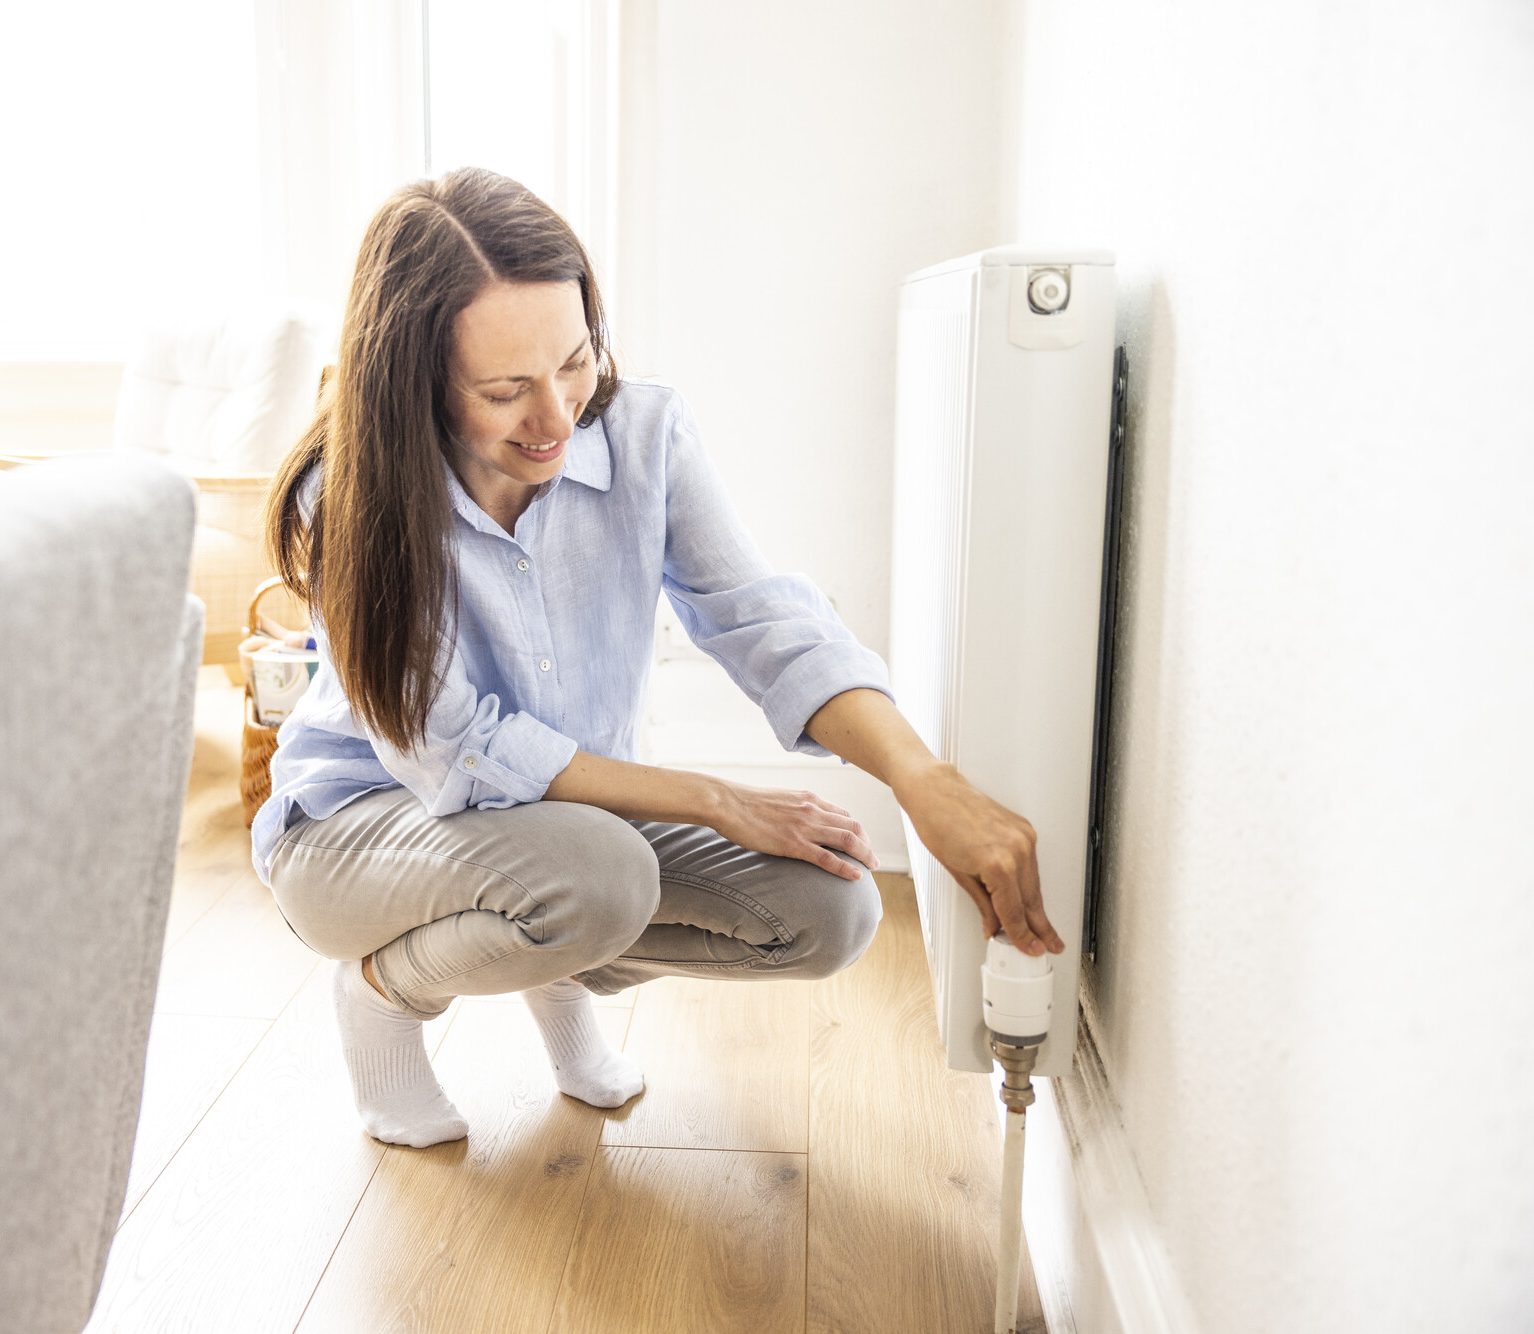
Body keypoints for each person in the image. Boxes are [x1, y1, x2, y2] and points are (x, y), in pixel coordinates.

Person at [252, 168, 1064, 1149]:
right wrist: (715, 797)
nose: (554, 416)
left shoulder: (645, 437)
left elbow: (760, 618)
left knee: (830, 902)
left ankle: (553, 964)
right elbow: (454, 752)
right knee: (599, 872)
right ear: (417, 385)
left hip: (560, 831)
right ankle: (382, 994)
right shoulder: (355, 494)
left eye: (574, 360)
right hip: (356, 830)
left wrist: (919, 777)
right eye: (505, 390)